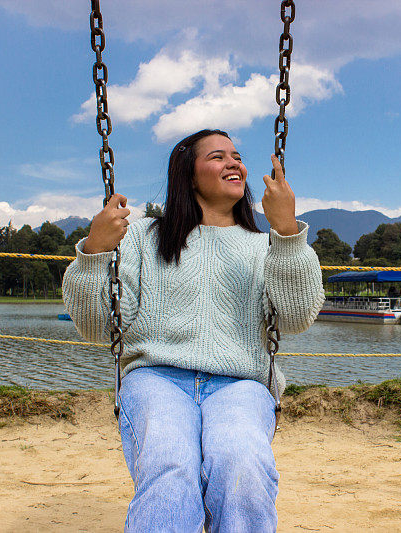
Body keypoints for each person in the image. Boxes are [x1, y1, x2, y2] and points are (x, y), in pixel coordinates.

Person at [62, 129, 325, 532]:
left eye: (237, 156)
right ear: (188, 174)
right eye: (218, 157)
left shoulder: (264, 246)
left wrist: (287, 232)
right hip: (155, 377)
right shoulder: (143, 239)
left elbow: (297, 317)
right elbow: (99, 327)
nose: (234, 163)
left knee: (242, 467)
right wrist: (96, 253)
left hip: (239, 382)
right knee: (170, 470)